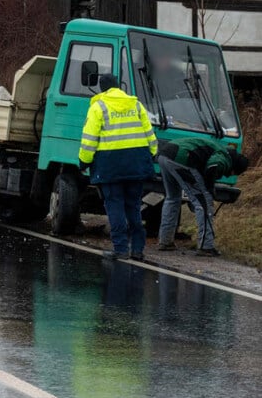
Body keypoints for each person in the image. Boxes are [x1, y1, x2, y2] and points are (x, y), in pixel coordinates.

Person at [79, 74, 158, 260]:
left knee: (115, 206)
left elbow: (89, 139)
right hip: (136, 164)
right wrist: (151, 154)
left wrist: (84, 160)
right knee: (134, 206)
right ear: (118, 86)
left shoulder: (98, 107)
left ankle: (121, 249)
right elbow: (150, 135)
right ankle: (138, 250)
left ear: (102, 89)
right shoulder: (136, 105)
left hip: (110, 165)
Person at [157, 137, 249, 256]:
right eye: (233, 172)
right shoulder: (225, 157)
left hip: (164, 155)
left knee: (172, 198)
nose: (228, 175)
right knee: (204, 203)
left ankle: (165, 241)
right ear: (235, 166)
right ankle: (206, 246)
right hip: (182, 158)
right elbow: (213, 166)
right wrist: (209, 189)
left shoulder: (218, 149)